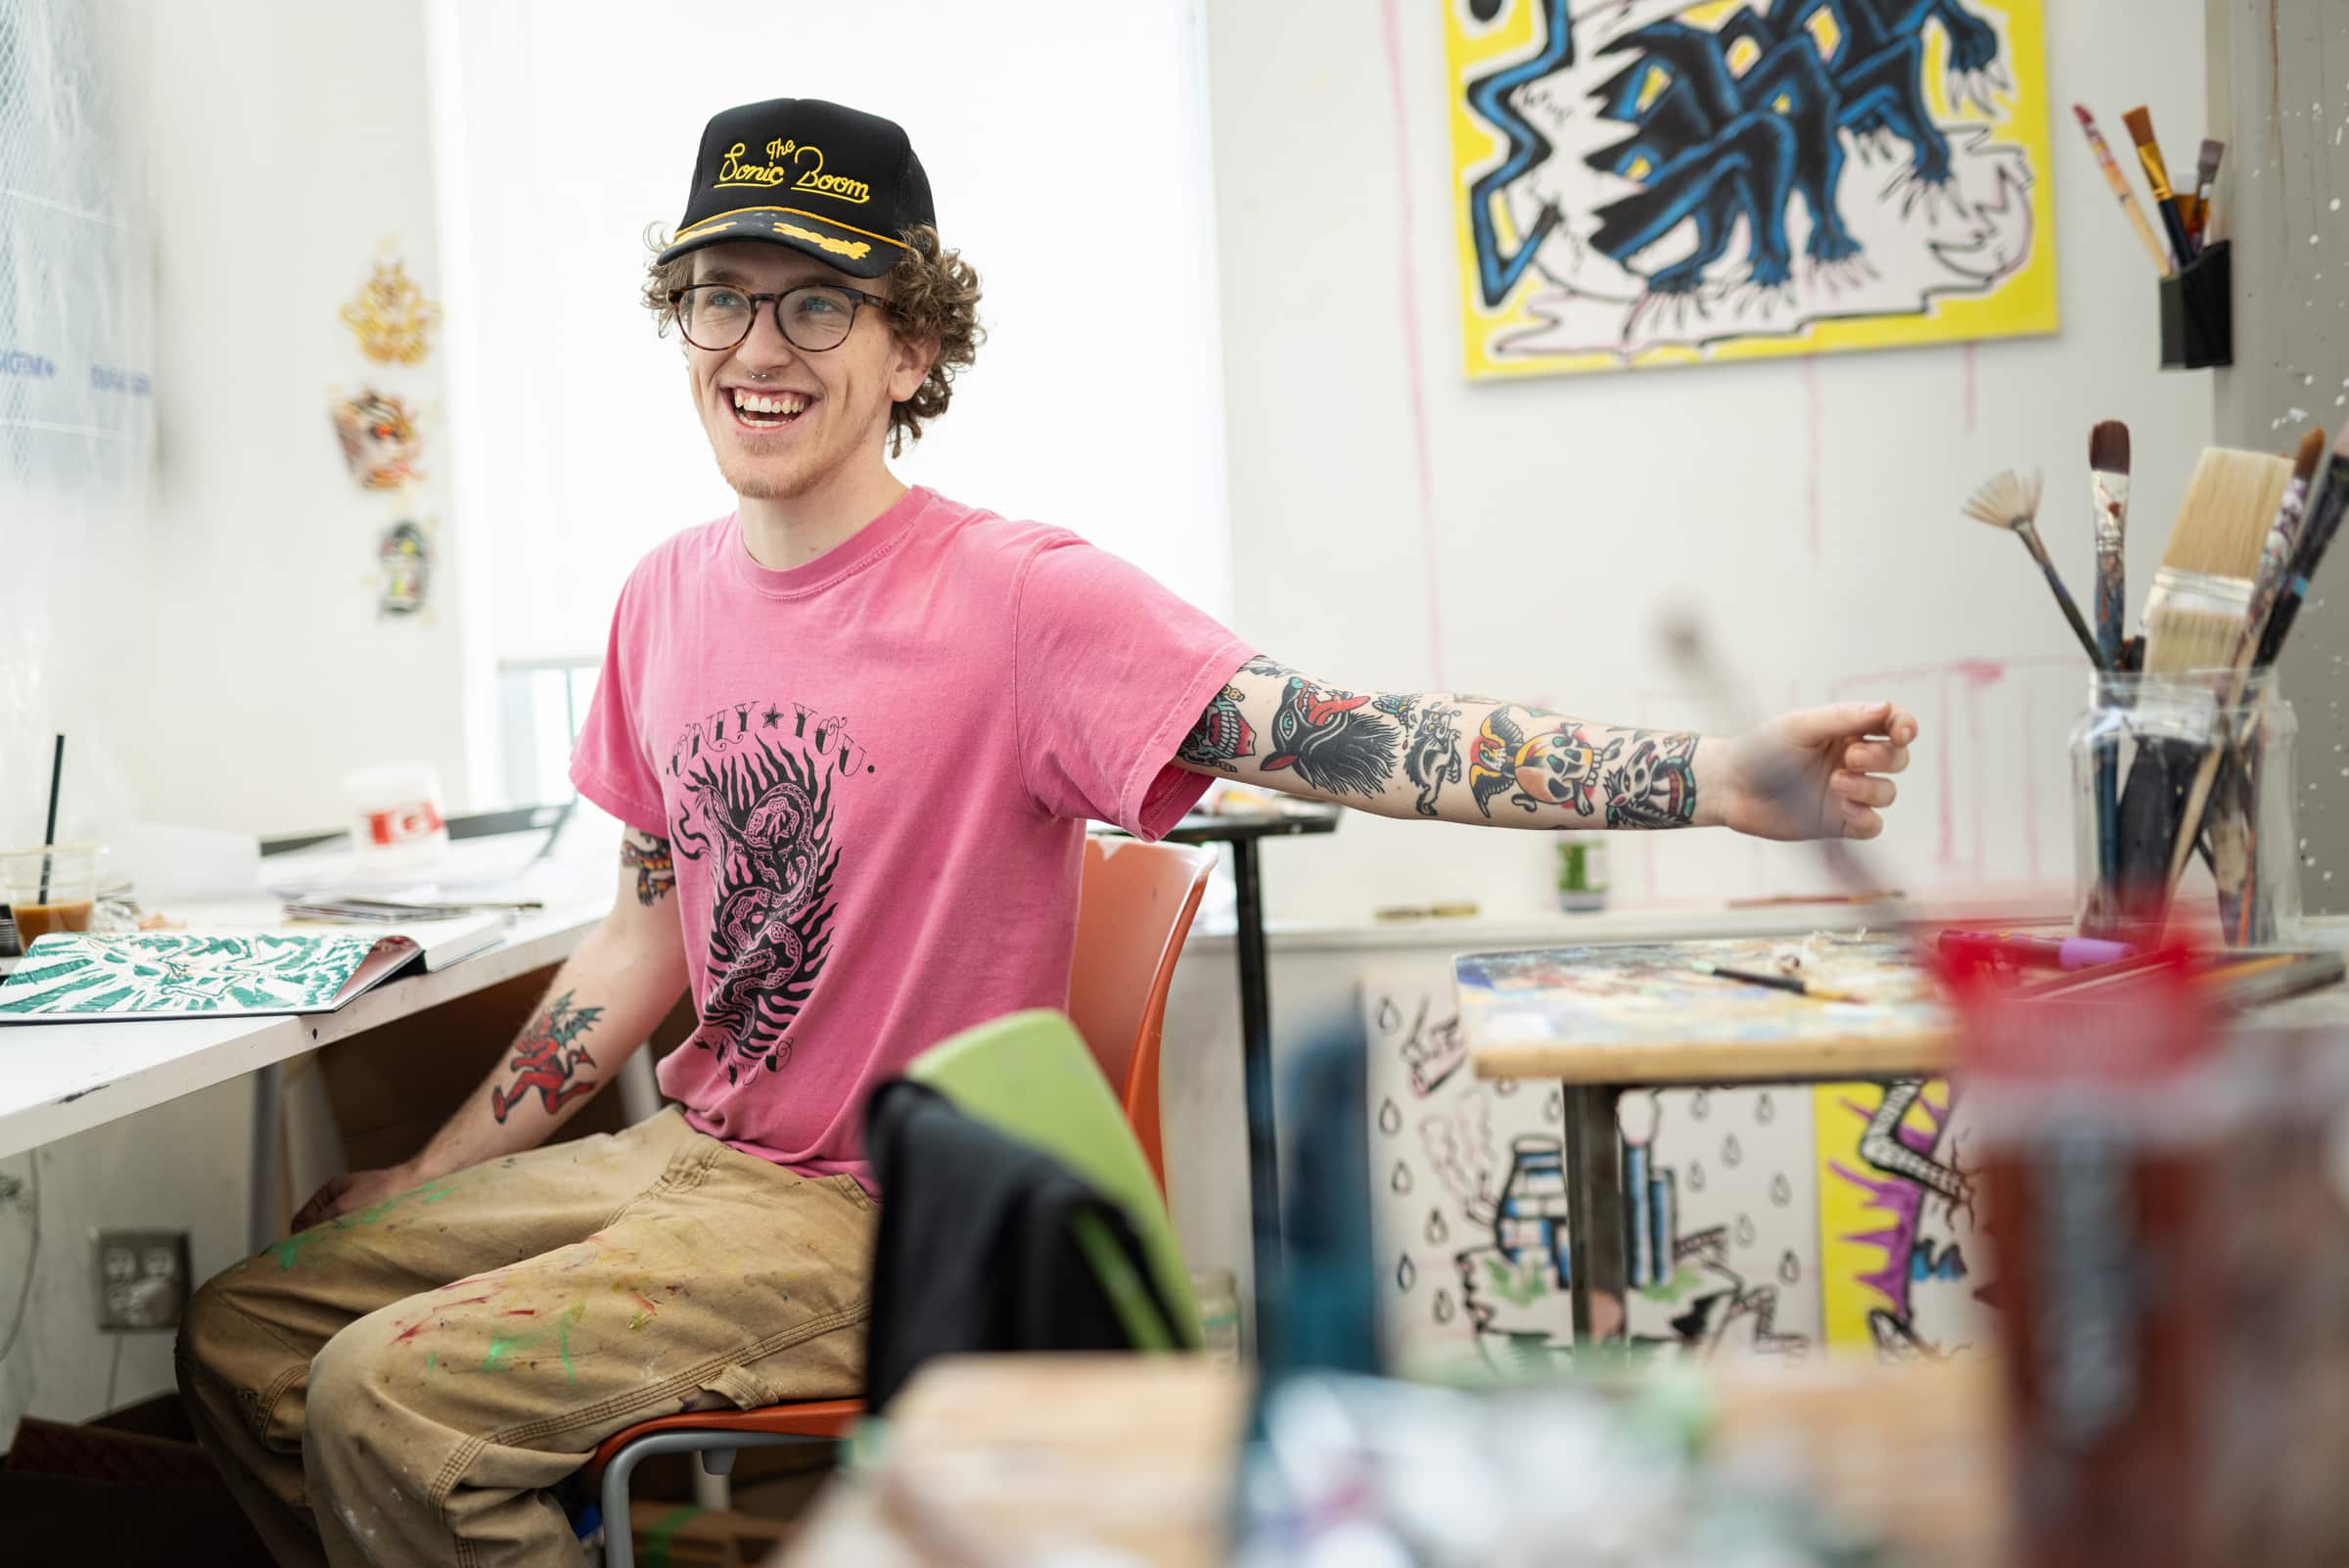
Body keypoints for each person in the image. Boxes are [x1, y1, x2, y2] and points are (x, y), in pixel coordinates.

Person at [177, 98, 1918, 1567]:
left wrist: (1703, 777)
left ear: (913, 343)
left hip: (861, 1209)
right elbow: (648, 933)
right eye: (721, 299)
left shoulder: (1016, 599)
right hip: (690, 1160)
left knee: (383, 1393)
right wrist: (431, 1176)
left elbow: (1344, 734)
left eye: (816, 308)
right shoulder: (659, 600)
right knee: (246, 1327)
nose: (757, 350)